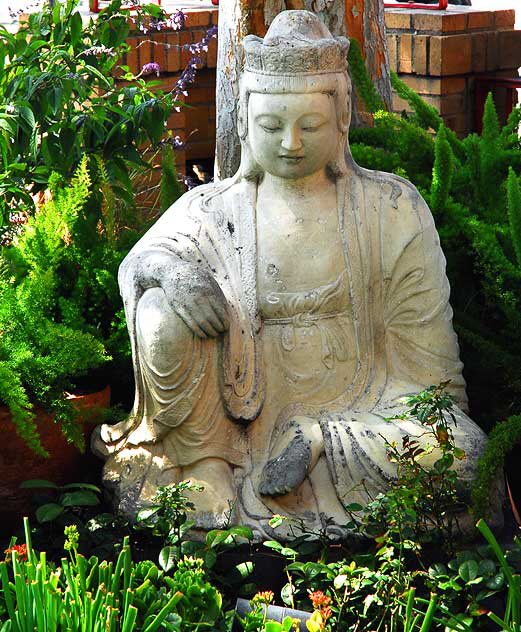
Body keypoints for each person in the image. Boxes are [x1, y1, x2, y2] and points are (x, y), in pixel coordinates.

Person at [94, 10, 495, 536]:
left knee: (466, 457)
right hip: (230, 430)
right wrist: (171, 271)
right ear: (243, 120)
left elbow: (433, 383)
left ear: (343, 117)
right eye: (271, 126)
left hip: (363, 416)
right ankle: (206, 469)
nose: (290, 143)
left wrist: (349, 431)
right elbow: (138, 265)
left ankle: (314, 445)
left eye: (310, 125)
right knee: (160, 307)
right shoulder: (213, 211)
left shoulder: (392, 209)